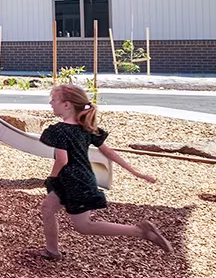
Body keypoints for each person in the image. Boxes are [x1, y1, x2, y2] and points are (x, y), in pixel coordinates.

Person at [38, 83, 171, 260]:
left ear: (67, 104)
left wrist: (52, 178)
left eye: (54, 100)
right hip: (80, 179)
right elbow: (108, 152)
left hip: (73, 182)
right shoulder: (86, 128)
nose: (51, 103)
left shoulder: (61, 131)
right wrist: (136, 172)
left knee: (84, 226)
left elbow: (63, 160)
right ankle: (52, 251)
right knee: (48, 208)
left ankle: (140, 231)